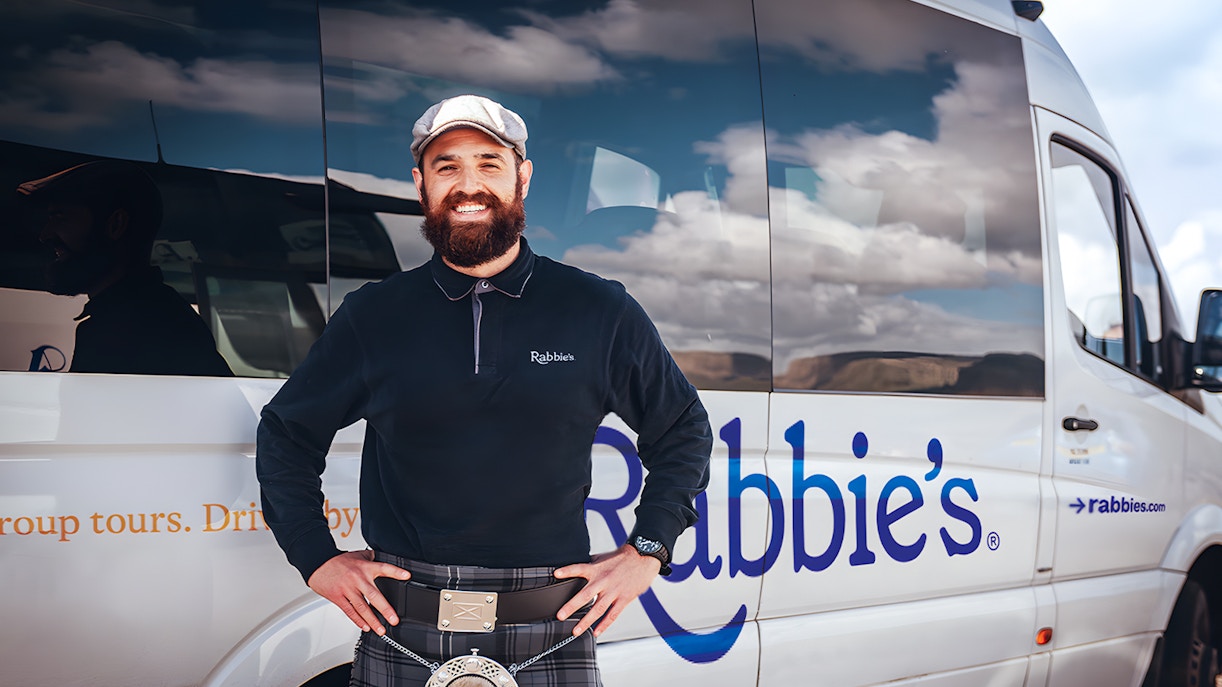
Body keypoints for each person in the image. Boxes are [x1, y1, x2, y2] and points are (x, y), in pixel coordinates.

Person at [255, 94, 713, 686]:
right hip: (404, 621)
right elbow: (287, 433)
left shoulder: (599, 309)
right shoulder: (373, 316)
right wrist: (315, 556)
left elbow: (681, 429)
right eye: (448, 167)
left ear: (522, 178)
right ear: (421, 185)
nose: (469, 185)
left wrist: (647, 550)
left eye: (488, 164)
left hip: (553, 624)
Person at [16, 159, 233, 377]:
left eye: (59, 216)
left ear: (115, 225)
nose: (45, 235)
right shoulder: (158, 317)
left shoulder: (140, 330)